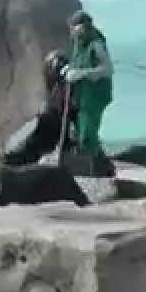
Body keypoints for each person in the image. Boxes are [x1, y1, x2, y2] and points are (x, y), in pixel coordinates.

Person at [60, 10, 114, 174]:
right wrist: (69, 69)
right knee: (82, 133)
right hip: (82, 97)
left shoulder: (96, 44)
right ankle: (99, 166)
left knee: (87, 135)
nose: (73, 32)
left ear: (83, 27)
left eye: (75, 28)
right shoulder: (78, 43)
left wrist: (82, 74)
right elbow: (78, 61)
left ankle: (98, 169)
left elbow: (108, 69)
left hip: (95, 96)